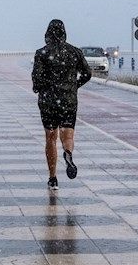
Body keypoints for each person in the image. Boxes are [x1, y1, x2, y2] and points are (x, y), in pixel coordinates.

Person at [31, 19, 92, 188]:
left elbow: (36, 78)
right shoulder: (75, 52)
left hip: (48, 101)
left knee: (51, 137)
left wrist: (41, 88)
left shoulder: (42, 53)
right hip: (68, 100)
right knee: (68, 134)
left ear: (48, 34)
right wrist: (74, 86)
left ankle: (53, 178)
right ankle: (68, 153)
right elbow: (87, 73)